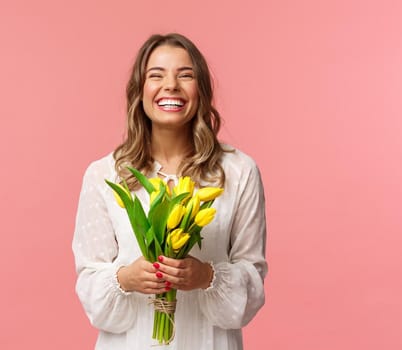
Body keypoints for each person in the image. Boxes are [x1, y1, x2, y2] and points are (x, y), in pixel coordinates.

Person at [72, 33, 267, 349]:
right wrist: (125, 279)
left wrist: (206, 276)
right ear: (140, 91)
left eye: (185, 75)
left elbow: (252, 284)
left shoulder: (238, 171)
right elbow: (90, 285)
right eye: (156, 75)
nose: (171, 85)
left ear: (200, 91)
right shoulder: (104, 175)